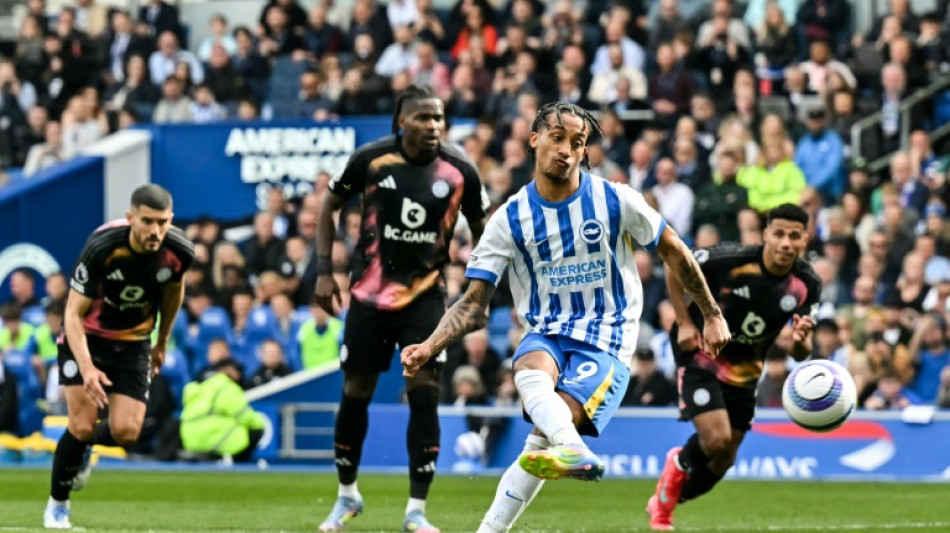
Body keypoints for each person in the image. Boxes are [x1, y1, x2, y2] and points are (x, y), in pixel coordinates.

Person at [400, 102, 729, 533]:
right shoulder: (509, 219)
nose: (567, 151)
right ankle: (573, 451)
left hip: (606, 337)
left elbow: (675, 250)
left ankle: (529, 488)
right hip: (547, 331)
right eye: (557, 138)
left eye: (577, 143)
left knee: (543, 434)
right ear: (534, 139)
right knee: (528, 367)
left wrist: (711, 314)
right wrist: (429, 345)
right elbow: (473, 304)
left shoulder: (615, 198)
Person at [315, 84, 489, 533]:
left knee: (425, 395)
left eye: (438, 118)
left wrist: (479, 291)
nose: (433, 126)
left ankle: (416, 510)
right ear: (401, 123)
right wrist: (322, 271)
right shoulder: (371, 159)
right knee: (356, 393)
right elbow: (330, 203)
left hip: (426, 299)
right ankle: (347, 496)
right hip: (369, 297)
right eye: (423, 118)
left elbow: (485, 229)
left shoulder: (460, 169)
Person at [648, 203, 821, 530]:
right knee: (716, 440)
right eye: (779, 234)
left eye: (794, 236)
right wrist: (684, 322)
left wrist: (800, 339)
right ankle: (666, 501)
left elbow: (801, 353)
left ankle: (668, 497)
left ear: (804, 240)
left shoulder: (807, 284)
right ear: (766, 234)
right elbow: (674, 263)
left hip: (745, 371)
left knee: (725, 457)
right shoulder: (730, 260)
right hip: (701, 354)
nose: (786, 242)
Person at [43, 185, 194, 529]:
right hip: (87, 338)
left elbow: (174, 291)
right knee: (81, 424)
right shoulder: (103, 247)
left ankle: (84, 449)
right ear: (130, 219)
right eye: (147, 221)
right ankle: (57, 505)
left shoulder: (180, 250)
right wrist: (87, 369)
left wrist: (162, 340)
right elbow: (72, 314)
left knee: (127, 431)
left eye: (163, 222)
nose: (156, 231)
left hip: (134, 341)